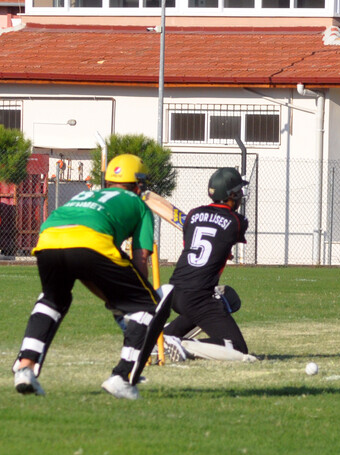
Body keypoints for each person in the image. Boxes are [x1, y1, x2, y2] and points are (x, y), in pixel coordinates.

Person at [12, 154, 172, 400]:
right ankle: (122, 376)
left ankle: (25, 367)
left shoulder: (86, 194)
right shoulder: (139, 205)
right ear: (138, 184)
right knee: (147, 304)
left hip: (48, 239)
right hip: (91, 242)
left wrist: (115, 297)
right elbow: (140, 259)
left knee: (53, 300)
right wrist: (132, 300)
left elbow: (83, 266)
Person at [162, 167, 255, 362]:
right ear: (232, 195)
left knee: (228, 297)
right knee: (238, 348)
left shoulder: (193, 215)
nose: (241, 196)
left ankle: (164, 335)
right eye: (238, 192)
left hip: (175, 291)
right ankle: (181, 343)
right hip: (198, 295)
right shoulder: (238, 221)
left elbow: (195, 244)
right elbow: (221, 236)